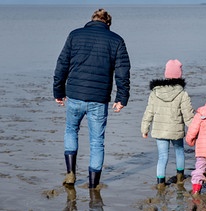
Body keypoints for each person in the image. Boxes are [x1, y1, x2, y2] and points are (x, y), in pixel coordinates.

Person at [53, 8, 131, 189]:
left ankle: (70, 172)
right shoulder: (116, 40)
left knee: (71, 130)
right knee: (97, 141)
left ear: (92, 20)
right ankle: (93, 184)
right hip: (99, 98)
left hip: (75, 95)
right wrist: (122, 98)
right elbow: (123, 73)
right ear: (108, 24)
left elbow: (61, 64)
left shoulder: (75, 35)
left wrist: (58, 91)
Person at [141, 59, 194, 190]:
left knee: (162, 156)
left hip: (160, 130)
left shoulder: (155, 92)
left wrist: (144, 128)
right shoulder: (182, 93)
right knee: (179, 151)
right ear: (179, 75)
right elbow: (188, 115)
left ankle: (160, 183)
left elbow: (149, 111)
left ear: (166, 74)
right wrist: (195, 129)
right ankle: (180, 177)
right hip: (176, 129)